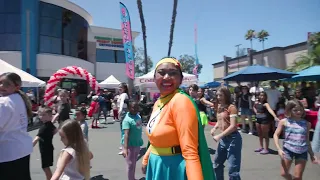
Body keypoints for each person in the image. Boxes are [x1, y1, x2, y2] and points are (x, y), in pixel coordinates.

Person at [142, 57, 215, 180]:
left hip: (172, 168)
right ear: (154, 78)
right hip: (156, 164)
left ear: (181, 80)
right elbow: (155, 138)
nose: (166, 77)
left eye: (173, 73)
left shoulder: (181, 101)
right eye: (161, 72)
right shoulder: (159, 102)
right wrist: (146, 159)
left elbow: (190, 153)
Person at [274, 100, 319, 180]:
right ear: (289, 110)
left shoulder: (307, 124)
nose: (299, 112)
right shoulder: (284, 121)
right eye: (295, 110)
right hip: (287, 150)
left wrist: (312, 155)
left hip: (302, 151)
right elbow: (276, 135)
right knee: (283, 173)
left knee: (298, 177)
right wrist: (279, 149)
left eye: (301, 110)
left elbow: (307, 140)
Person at [0, 72, 33, 180]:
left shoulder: (4, 102)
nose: (2, 86)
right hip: (22, 148)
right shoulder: (19, 98)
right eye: (0, 83)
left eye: (6, 84)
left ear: (16, 87)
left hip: (9, 152)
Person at [210, 87, 242, 180]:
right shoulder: (220, 107)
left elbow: (233, 126)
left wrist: (219, 135)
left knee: (233, 169)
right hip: (224, 140)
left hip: (233, 139)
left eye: (221, 95)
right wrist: (215, 128)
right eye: (217, 95)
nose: (218, 97)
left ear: (226, 95)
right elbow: (220, 120)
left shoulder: (232, 108)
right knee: (216, 164)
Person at [32, 107, 58, 180]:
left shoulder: (43, 127)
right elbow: (55, 130)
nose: (41, 117)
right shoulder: (50, 124)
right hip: (49, 147)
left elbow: (37, 138)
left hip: (45, 149)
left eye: (44, 115)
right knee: (46, 167)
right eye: (40, 115)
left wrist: (29, 147)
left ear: (50, 116)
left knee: (45, 167)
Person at [122, 100, 144, 180]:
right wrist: (125, 148)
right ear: (128, 108)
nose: (135, 109)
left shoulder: (138, 116)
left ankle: (132, 177)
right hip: (130, 145)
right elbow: (126, 135)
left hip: (137, 143)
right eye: (133, 108)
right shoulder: (127, 120)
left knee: (134, 163)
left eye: (136, 107)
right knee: (130, 164)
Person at [118, 82, 129, 155]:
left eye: (120, 88)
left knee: (123, 130)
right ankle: (123, 145)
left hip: (123, 112)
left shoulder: (124, 95)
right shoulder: (122, 94)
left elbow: (122, 102)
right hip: (123, 112)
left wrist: (120, 110)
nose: (119, 89)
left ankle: (124, 147)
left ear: (124, 88)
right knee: (122, 130)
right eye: (119, 87)